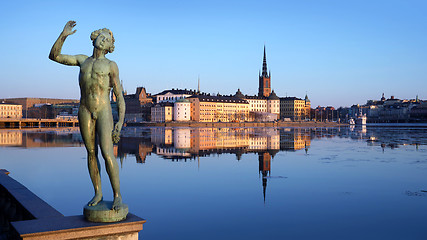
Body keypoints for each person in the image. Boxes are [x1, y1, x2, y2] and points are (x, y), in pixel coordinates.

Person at [49, 21, 125, 210]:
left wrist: (120, 123)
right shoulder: (82, 60)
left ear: (109, 47)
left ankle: (117, 195)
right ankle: (98, 192)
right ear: (95, 38)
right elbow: (54, 56)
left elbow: (120, 97)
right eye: (101, 36)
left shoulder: (111, 65)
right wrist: (63, 34)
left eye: (107, 39)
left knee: (107, 154)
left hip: (104, 110)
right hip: (84, 110)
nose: (103, 40)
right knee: (91, 153)